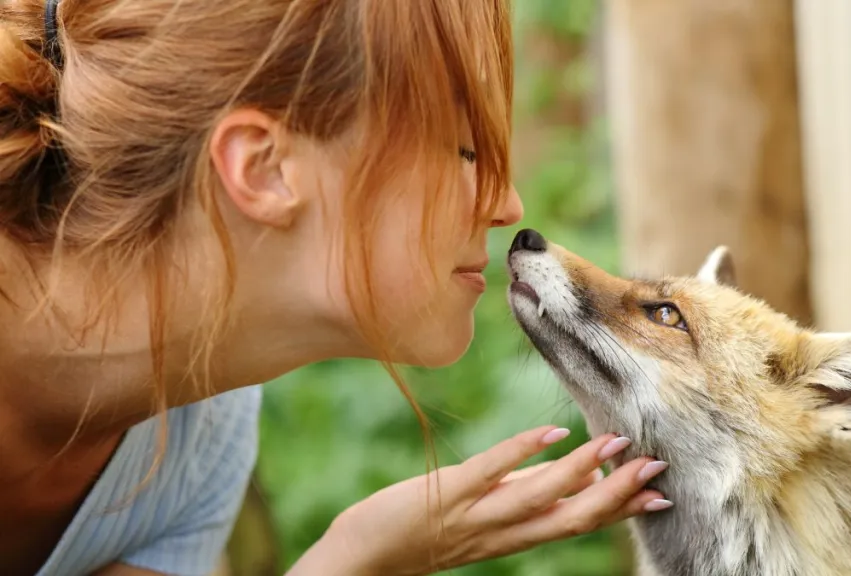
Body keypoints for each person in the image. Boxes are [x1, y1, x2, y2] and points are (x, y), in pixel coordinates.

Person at [0, 0, 673, 574]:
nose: (506, 204)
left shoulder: (199, 439)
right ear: (264, 169)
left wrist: (350, 557)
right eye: (464, 150)